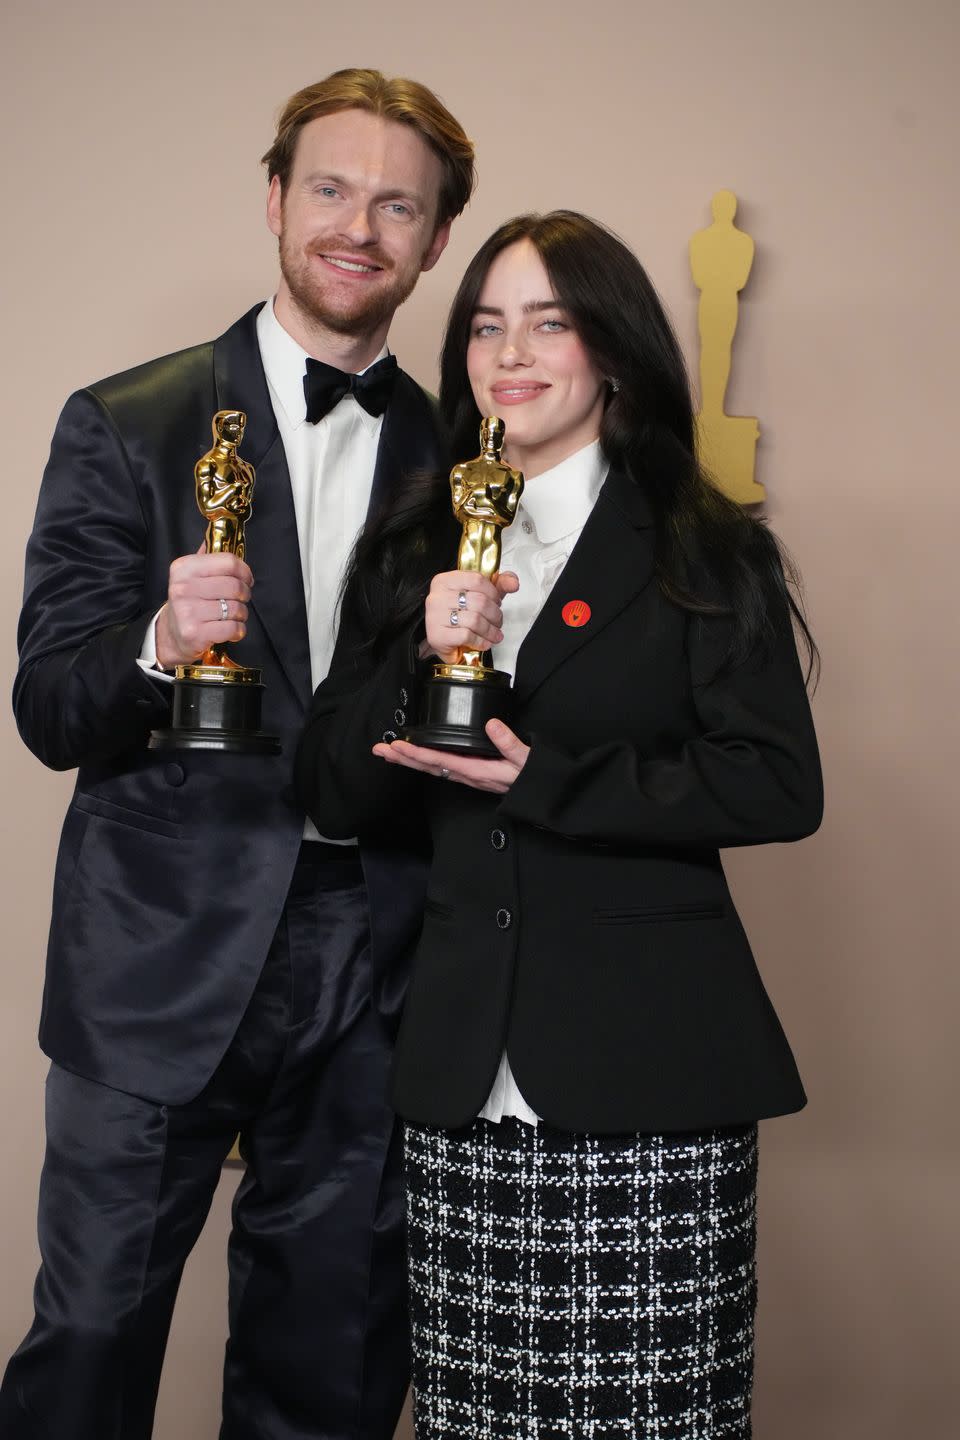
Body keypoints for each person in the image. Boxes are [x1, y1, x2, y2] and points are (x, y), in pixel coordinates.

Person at [295, 211, 823, 1439]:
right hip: (465, 1078)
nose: (509, 353)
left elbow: (776, 786)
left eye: (548, 321)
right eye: (486, 324)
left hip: (652, 1071)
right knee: (480, 1420)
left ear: (615, 355)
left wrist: (547, 780)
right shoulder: (414, 549)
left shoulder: (704, 546)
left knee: (661, 1419)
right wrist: (416, 652)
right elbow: (330, 787)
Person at [2, 68, 474, 1440]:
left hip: (375, 972)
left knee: (328, 1369)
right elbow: (46, 708)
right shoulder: (126, 419)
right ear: (275, 200)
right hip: (152, 966)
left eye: (399, 204)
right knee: (88, 1352)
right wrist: (155, 642)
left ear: (436, 240)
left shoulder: (465, 460)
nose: (358, 227)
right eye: (330, 188)